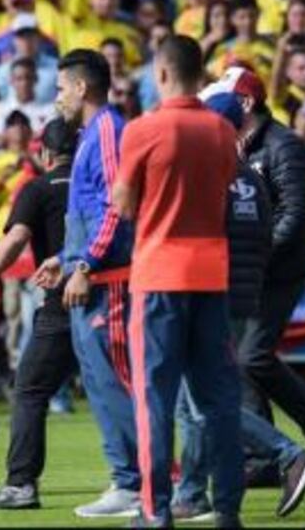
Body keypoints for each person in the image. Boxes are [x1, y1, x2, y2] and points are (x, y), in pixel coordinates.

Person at [170, 90, 305, 521]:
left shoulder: (211, 177)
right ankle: (192, 492)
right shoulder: (249, 178)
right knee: (203, 394)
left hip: (205, 293)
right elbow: (262, 236)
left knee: (204, 397)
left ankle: (286, 454)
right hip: (240, 294)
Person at [111, 34, 243, 527]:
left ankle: (155, 510)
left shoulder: (143, 129)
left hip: (159, 273)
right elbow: (224, 186)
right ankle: (228, 509)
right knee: (219, 399)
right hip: (211, 273)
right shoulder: (221, 130)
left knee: (155, 400)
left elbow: (123, 203)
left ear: (162, 73)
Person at [33, 49, 140, 518]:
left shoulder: (109, 131)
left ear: (81, 87)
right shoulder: (90, 135)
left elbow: (118, 206)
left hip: (107, 281)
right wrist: (65, 258)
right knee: (100, 384)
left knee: (119, 383)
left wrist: (87, 265)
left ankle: (139, 481)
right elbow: (92, 210)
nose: (57, 98)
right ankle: (128, 478)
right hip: (88, 275)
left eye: (60, 88)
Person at [0, 118, 77, 510]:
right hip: (109, 302)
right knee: (133, 393)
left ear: (43, 154)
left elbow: (16, 238)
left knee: (29, 389)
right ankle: (154, 481)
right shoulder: (98, 185)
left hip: (61, 305)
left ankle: (21, 485)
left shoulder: (37, 188)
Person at [217, 67, 305, 455]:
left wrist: (256, 254)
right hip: (255, 269)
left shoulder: (286, 145)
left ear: (246, 102)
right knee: (241, 358)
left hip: (282, 269)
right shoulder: (236, 143)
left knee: (252, 357)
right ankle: (261, 453)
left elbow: (295, 215)